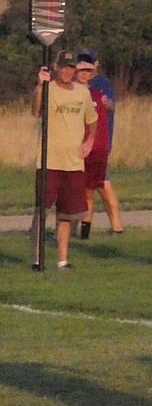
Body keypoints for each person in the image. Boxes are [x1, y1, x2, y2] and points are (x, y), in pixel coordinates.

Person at [31, 51, 97, 269]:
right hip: (49, 161)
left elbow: (92, 119)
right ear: (56, 67)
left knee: (68, 214)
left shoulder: (82, 93)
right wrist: (40, 86)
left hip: (73, 163)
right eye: (64, 67)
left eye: (71, 67)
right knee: (42, 211)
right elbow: (35, 111)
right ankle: (37, 258)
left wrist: (89, 141)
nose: (68, 71)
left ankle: (62, 260)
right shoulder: (48, 89)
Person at [75, 49, 124, 238]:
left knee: (103, 184)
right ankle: (81, 231)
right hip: (81, 146)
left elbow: (109, 104)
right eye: (82, 64)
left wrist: (103, 102)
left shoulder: (100, 85)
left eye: (90, 64)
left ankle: (117, 226)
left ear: (96, 64)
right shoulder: (76, 86)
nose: (85, 70)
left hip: (98, 146)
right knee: (84, 189)